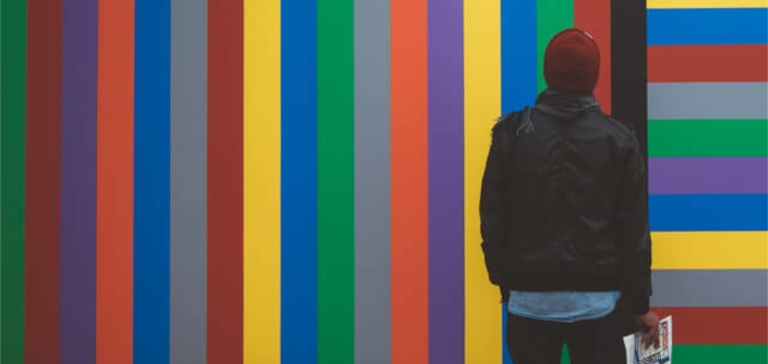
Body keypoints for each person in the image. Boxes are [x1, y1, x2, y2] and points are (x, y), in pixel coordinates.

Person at [480, 28, 658, 364]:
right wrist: (639, 307)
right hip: (600, 310)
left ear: (547, 72)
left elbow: (492, 219)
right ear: (594, 76)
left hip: (527, 305)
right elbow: (634, 232)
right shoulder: (618, 139)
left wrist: (508, 284)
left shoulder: (511, 134)